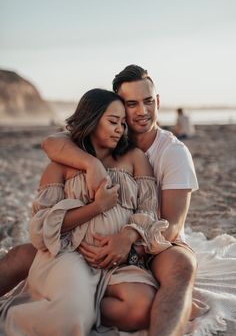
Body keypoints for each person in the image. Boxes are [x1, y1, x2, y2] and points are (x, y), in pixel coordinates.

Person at [0, 65, 200, 336]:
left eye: (148, 101)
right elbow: (52, 142)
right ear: (116, 106)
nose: (141, 111)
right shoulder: (75, 152)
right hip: (74, 247)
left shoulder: (169, 153)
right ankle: (65, 303)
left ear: (158, 101)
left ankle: (75, 303)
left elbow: (171, 225)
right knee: (20, 257)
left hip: (152, 244)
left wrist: (126, 242)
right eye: (131, 104)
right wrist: (91, 165)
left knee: (180, 269)